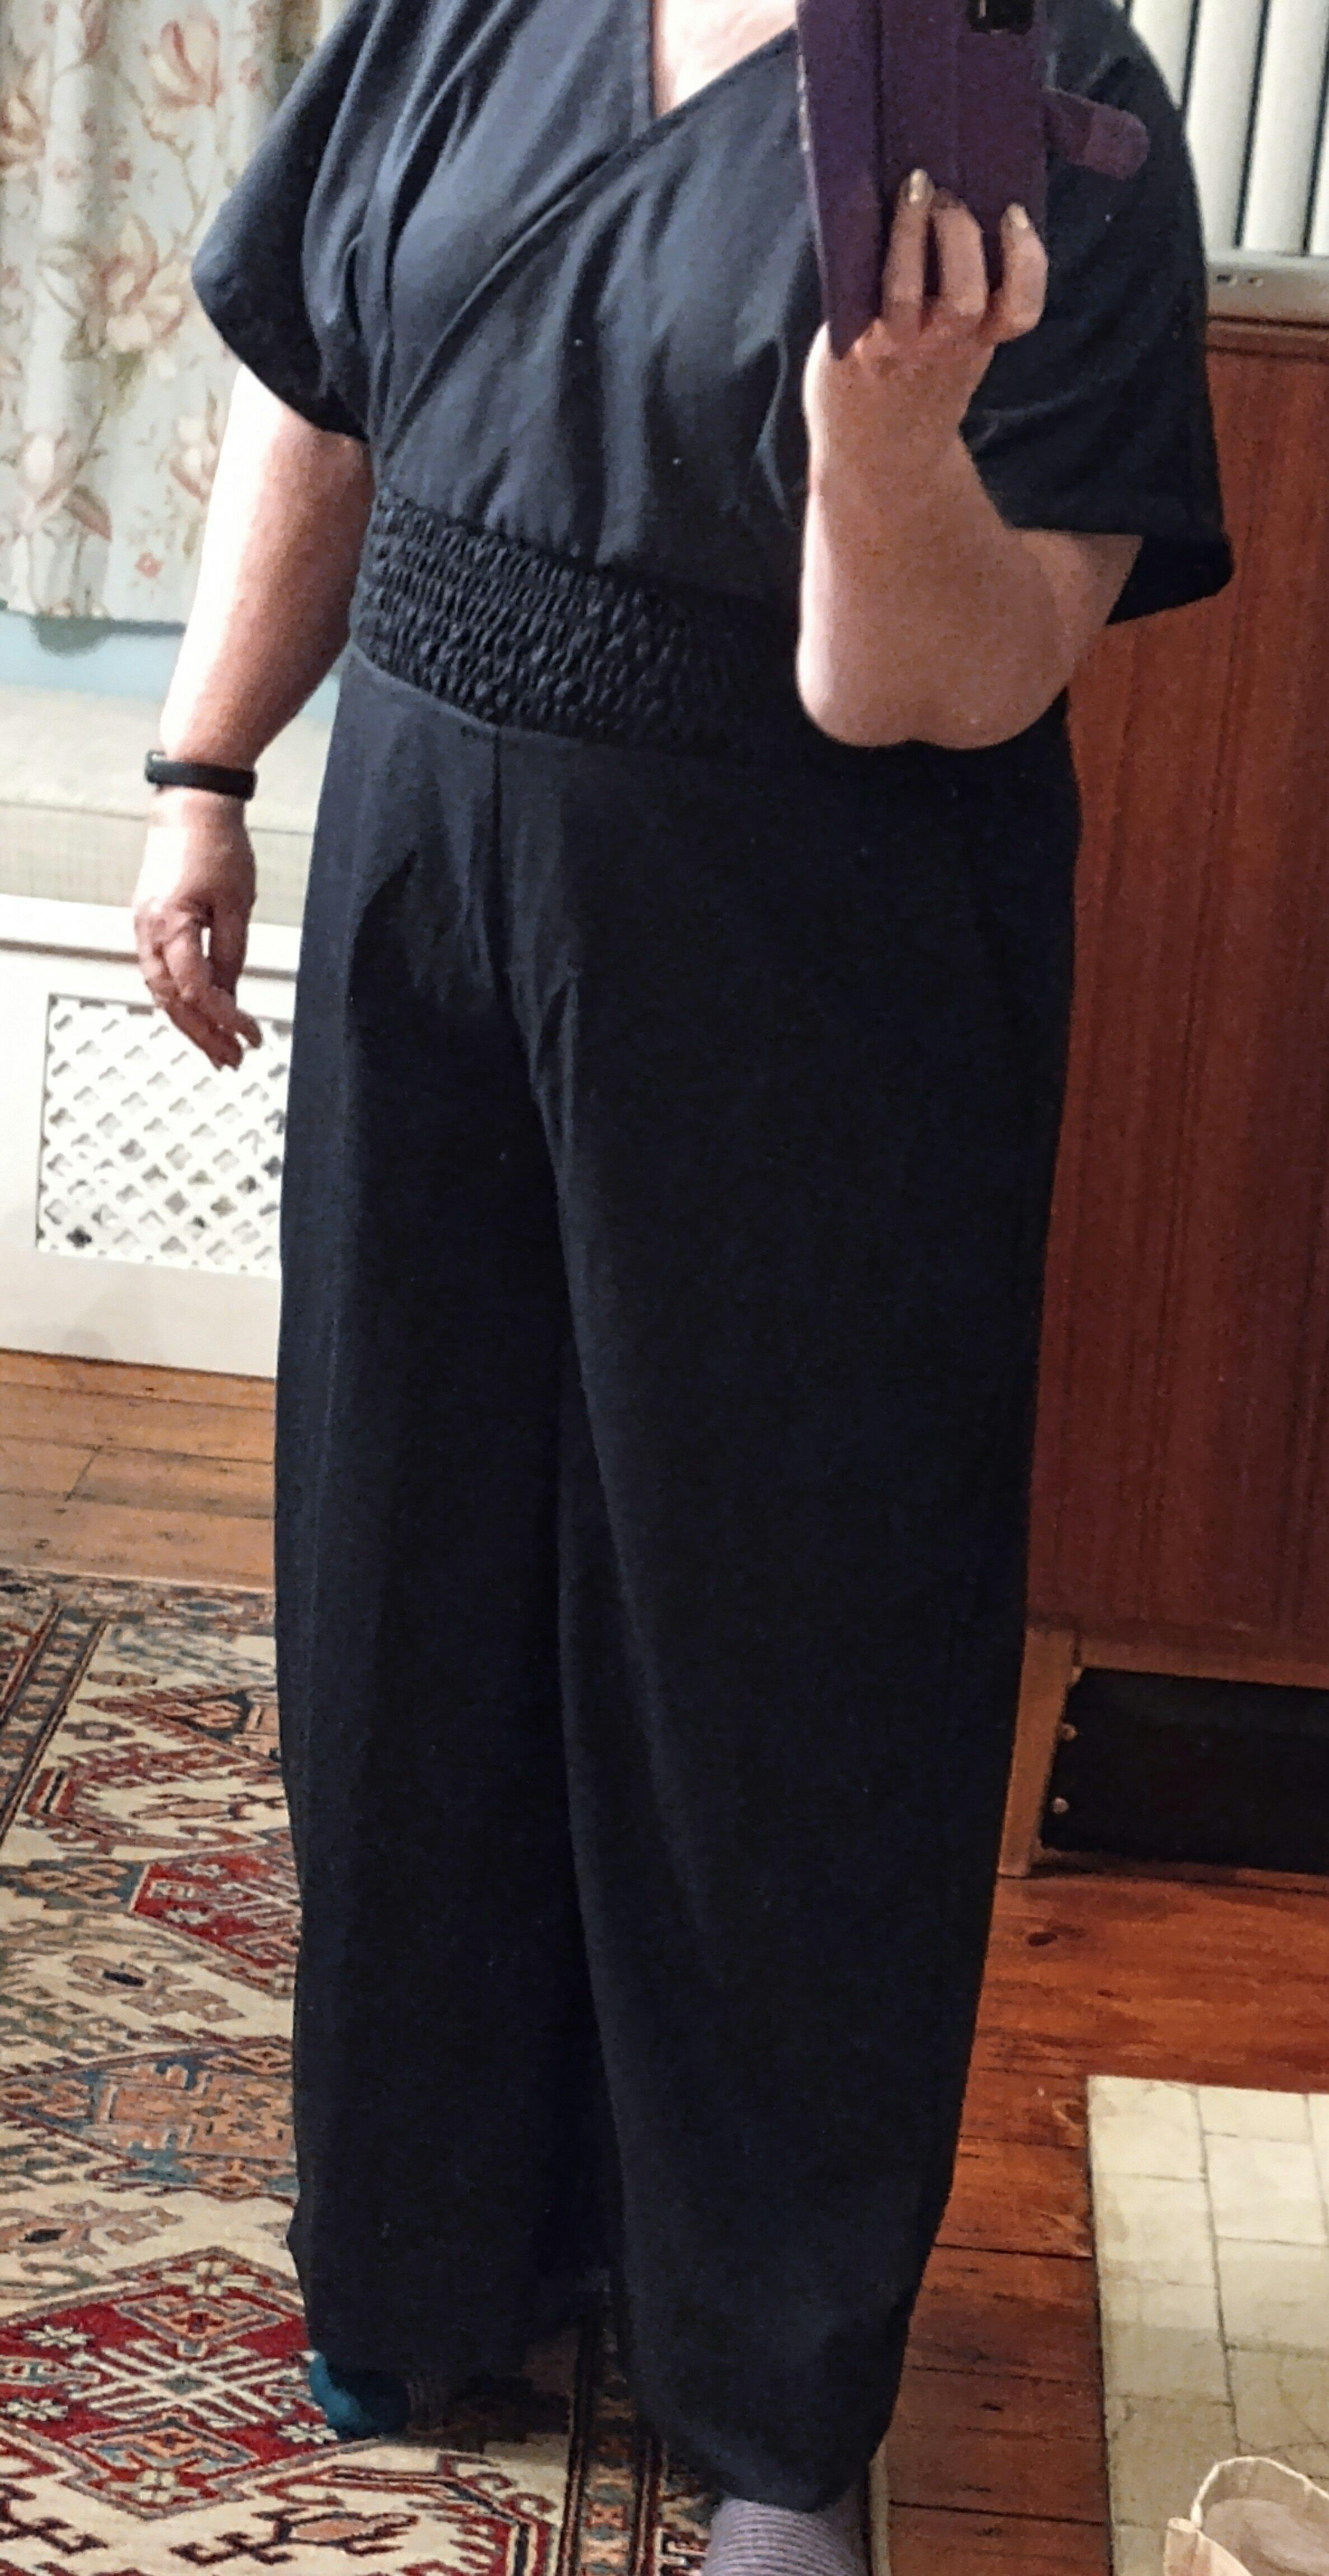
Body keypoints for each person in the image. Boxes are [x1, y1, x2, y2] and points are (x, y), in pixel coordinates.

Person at [132, 0, 1233, 2562]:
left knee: (780, 1649)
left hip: (815, 946)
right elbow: (321, 392)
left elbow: (946, 678)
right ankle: (432, 2246)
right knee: (407, 1578)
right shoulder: (471, 14)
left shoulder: (1056, 99)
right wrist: (204, 763)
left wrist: (887, 444)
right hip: (430, 876)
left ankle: (775, 2395)